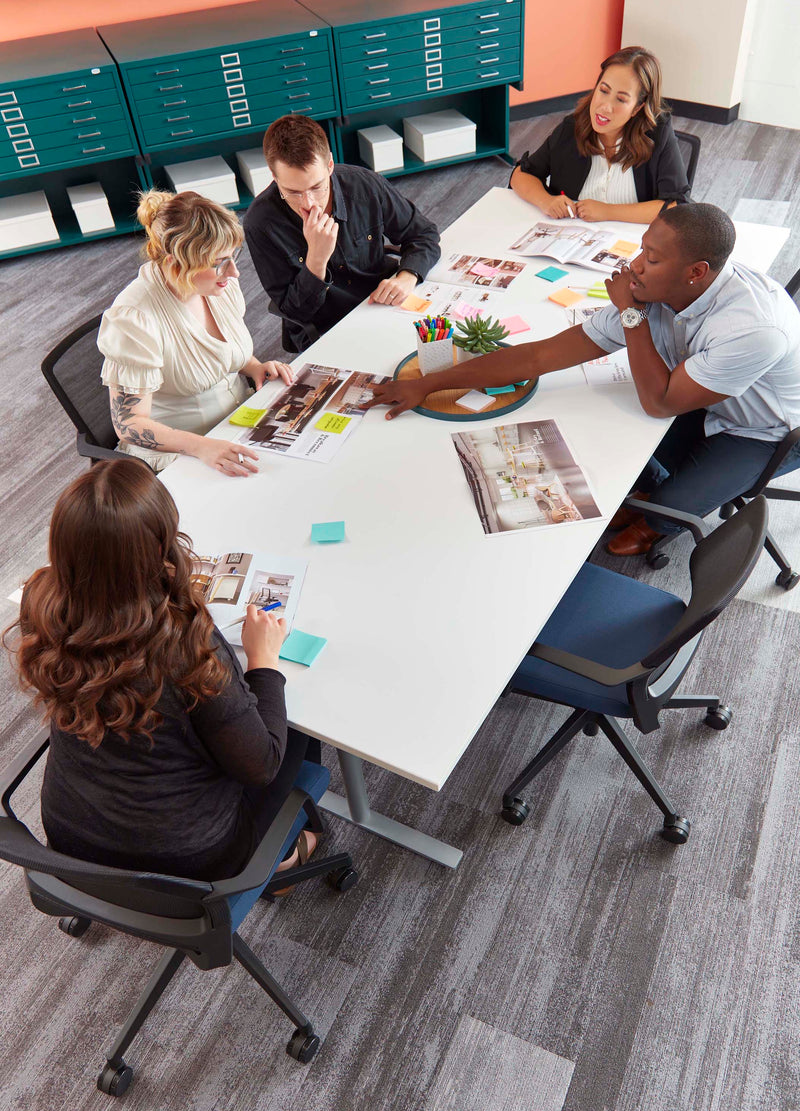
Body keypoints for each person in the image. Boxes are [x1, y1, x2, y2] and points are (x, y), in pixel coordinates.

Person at [367, 203, 800, 555]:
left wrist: (632, 319)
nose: (635, 267)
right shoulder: (659, 289)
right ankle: (651, 496)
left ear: (696, 272)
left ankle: (655, 520)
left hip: (766, 430)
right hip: (703, 396)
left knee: (671, 506)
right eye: (641, 250)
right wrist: (429, 383)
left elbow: (661, 403)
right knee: (617, 457)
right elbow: (540, 355)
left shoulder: (755, 329)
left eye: (651, 258)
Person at [6, 460, 320, 882]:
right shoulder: (184, 645)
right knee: (300, 730)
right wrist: (263, 663)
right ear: (158, 549)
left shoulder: (40, 601)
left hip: (70, 836)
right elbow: (261, 766)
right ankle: (281, 854)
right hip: (188, 858)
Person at [99, 189, 294, 476]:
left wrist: (254, 367)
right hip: (182, 452)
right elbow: (129, 423)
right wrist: (202, 446)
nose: (233, 272)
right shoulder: (135, 318)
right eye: (218, 262)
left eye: (233, 256)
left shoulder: (217, 285)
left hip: (234, 424)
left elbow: (217, 352)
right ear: (176, 265)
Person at [244, 114, 441, 352]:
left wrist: (407, 276)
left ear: (329, 165)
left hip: (383, 305)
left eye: (317, 187)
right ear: (274, 176)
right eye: (293, 192)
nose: (309, 203)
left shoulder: (364, 185)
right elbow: (293, 311)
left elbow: (424, 234)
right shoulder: (260, 222)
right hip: (327, 328)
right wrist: (316, 260)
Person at [510, 46, 691, 224]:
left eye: (621, 99)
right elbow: (521, 175)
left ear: (637, 107)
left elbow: (676, 207)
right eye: (603, 91)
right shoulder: (571, 128)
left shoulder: (657, 135)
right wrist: (546, 201)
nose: (605, 106)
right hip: (570, 241)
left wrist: (608, 211)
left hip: (636, 245)